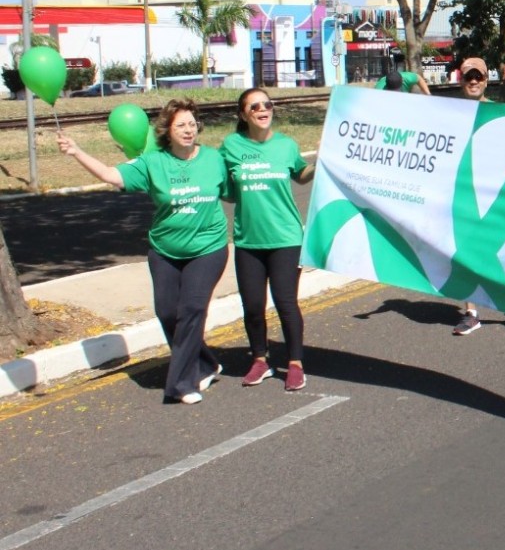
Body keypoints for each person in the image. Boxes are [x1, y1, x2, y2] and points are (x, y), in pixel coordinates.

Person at [57, 100, 231, 405]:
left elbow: (238, 189)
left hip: (208, 247)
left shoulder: (214, 159)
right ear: (167, 130)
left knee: (191, 310)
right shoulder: (153, 162)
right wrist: (76, 152)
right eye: (181, 125)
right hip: (165, 249)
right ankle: (205, 363)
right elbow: (112, 175)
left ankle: (181, 383)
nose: (188, 130)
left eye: (192, 124)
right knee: (167, 312)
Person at [221, 88, 316, 391]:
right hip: (248, 241)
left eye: (267, 105)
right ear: (243, 114)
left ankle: (295, 364)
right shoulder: (230, 146)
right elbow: (224, 186)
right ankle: (260, 360)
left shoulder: (286, 145)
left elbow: (300, 174)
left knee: (286, 303)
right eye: (254, 106)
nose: (263, 110)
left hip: (286, 237)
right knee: (252, 306)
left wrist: (320, 166)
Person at [451, 58, 505, 335]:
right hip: (464, 194)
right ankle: (471, 313)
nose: (473, 81)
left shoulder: (497, 111)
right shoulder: (451, 113)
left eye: (478, 77)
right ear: (461, 80)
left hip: (495, 193)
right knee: (466, 253)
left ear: (486, 80)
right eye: (468, 77)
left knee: (500, 253)